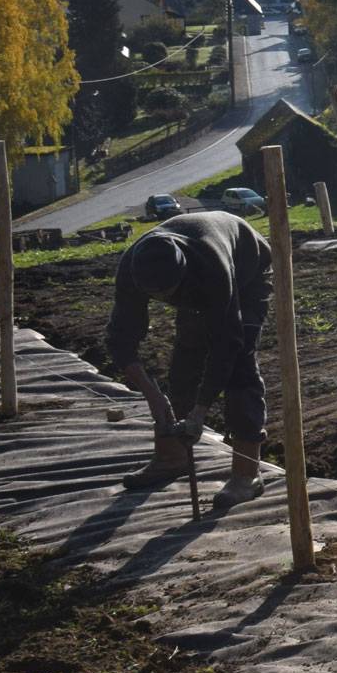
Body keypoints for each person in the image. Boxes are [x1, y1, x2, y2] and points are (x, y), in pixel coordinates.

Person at [107, 210, 272, 511]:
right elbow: (120, 340)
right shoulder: (133, 268)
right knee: (185, 362)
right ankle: (172, 457)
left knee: (240, 366)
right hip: (198, 282)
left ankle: (247, 474)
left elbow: (227, 343)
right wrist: (152, 395)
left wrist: (200, 410)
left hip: (247, 272)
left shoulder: (211, 264)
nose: (165, 299)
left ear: (183, 276)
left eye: (170, 293)